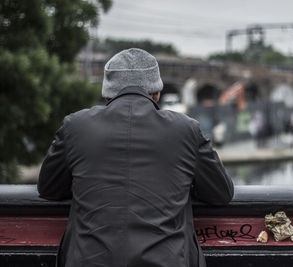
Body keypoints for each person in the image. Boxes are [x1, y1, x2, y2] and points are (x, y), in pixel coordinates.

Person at [37, 48, 234, 267]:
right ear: (157, 92)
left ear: (107, 94)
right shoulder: (187, 130)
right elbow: (221, 193)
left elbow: (48, 188)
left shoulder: (75, 126)